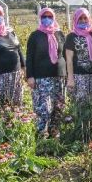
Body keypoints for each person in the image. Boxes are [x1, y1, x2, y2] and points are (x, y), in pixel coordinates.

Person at [26, 8, 67, 137]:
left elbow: (65, 54)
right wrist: (30, 76)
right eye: (45, 16)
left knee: (58, 104)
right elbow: (29, 57)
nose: (47, 19)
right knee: (43, 107)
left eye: (50, 16)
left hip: (59, 76)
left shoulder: (59, 34)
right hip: (42, 77)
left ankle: (55, 132)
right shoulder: (35, 36)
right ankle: (42, 133)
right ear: (40, 18)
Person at [64, 8, 92, 135]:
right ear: (76, 20)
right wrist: (70, 78)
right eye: (80, 19)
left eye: (85, 18)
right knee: (81, 105)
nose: (83, 21)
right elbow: (69, 59)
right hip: (80, 77)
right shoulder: (72, 36)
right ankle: (80, 132)